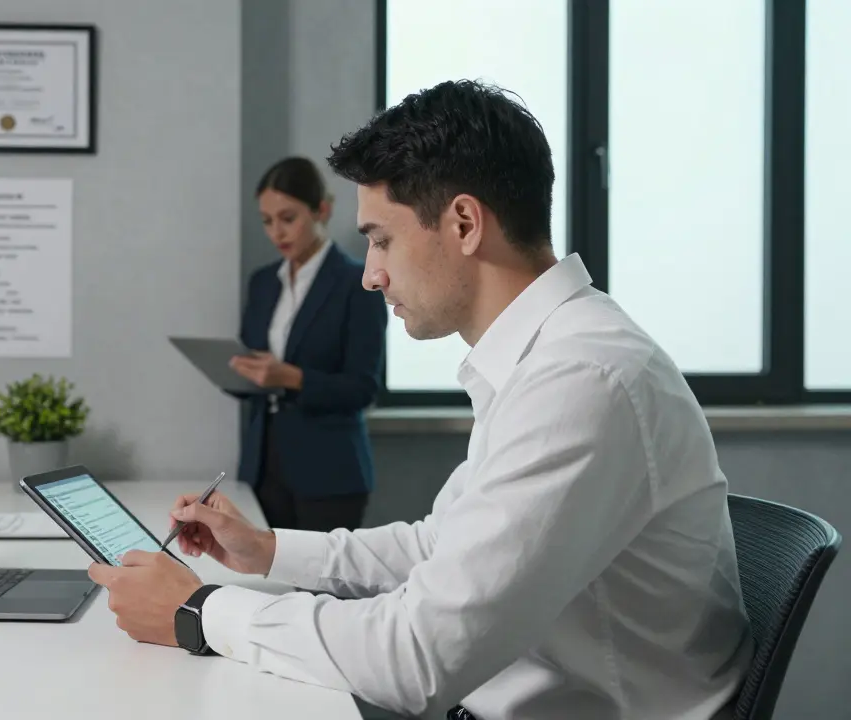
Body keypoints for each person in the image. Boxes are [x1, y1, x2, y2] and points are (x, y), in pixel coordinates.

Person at [88, 80, 753, 720]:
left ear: (463, 221)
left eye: (381, 238)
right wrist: (265, 550)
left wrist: (199, 611)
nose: (372, 275)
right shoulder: (549, 357)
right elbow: (441, 546)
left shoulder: (585, 378)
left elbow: (415, 660)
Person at [227, 157, 387, 532]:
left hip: (329, 473)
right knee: (266, 587)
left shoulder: (356, 284)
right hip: (263, 468)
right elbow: (256, 364)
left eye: (288, 218)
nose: (276, 232)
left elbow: (363, 388)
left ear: (322, 210)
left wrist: (291, 377)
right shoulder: (263, 282)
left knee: (325, 588)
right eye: (267, 221)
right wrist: (236, 372)